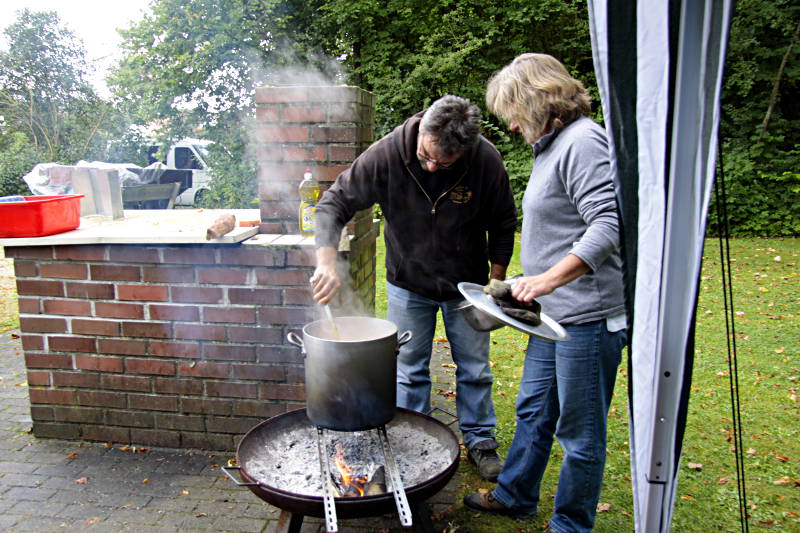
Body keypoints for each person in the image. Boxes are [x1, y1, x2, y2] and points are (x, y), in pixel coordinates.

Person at [311, 94, 518, 481]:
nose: (432, 167)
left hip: (467, 286)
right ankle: (413, 438)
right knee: (409, 370)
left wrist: (496, 279)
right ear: (423, 129)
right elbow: (333, 203)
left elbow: (504, 221)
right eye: (427, 156)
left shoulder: (485, 160)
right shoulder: (388, 153)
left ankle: (480, 440)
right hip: (408, 284)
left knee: (474, 369)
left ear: (465, 149)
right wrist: (326, 262)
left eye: (444, 163)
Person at [463, 53, 627, 533]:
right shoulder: (552, 148)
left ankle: (571, 525)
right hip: (551, 316)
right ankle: (516, 494)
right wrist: (524, 282)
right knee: (534, 409)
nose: (512, 126)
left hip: (588, 318)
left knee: (580, 433)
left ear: (537, 101)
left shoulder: (583, 143)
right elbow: (561, 228)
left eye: (513, 113)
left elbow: (609, 223)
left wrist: (549, 279)